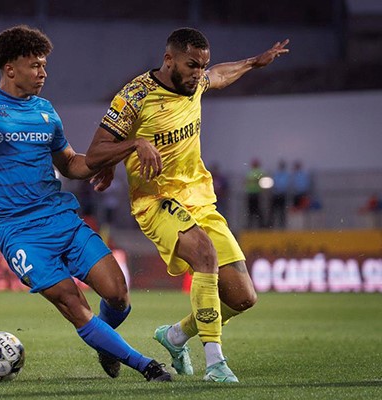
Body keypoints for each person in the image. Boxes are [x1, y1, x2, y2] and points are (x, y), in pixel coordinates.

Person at [0, 25, 170, 382]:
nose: (43, 72)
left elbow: (72, 164)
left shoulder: (46, 111)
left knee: (118, 295)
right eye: (35, 65)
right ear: (10, 69)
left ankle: (106, 344)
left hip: (62, 219)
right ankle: (146, 366)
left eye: (44, 65)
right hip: (19, 232)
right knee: (73, 303)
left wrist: (120, 152)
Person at [85, 27, 289, 382]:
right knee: (204, 254)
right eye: (192, 65)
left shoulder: (196, 84)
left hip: (200, 200)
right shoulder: (135, 95)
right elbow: (95, 151)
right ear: (169, 60)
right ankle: (215, 363)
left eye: (202, 66)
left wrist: (254, 63)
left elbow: (220, 75)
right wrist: (134, 146)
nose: (199, 73)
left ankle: (175, 336)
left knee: (242, 297)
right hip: (156, 200)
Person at [268, 159, 290, 228]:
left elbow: (285, 184)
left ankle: (281, 225)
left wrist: (278, 188)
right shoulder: (277, 173)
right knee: (273, 211)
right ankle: (271, 225)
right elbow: (274, 183)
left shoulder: (285, 174)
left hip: (282, 195)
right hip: (276, 195)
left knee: (282, 211)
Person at [245, 158, 265, 229]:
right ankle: (250, 225)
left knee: (257, 209)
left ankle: (260, 225)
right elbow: (246, 181)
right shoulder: (250, 172)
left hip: (257, 193)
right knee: (250, 210)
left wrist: (254, 181)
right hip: (250, 193)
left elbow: (260, 180)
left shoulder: (259, 172)